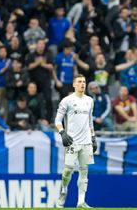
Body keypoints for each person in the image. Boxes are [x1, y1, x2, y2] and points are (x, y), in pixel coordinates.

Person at [55, 74, 97, 208]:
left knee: (84, 171)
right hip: (72, 141)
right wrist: (62, 133)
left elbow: (90, 121)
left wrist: (93, 137)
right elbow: (57, 120)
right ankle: (64, 189)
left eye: (84, 82)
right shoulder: (67, 100)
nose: (82, 84)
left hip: (86, 141)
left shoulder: (89, 100)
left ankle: (81, 201)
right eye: (79, 82)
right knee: (68, 170)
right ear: (74, 85)